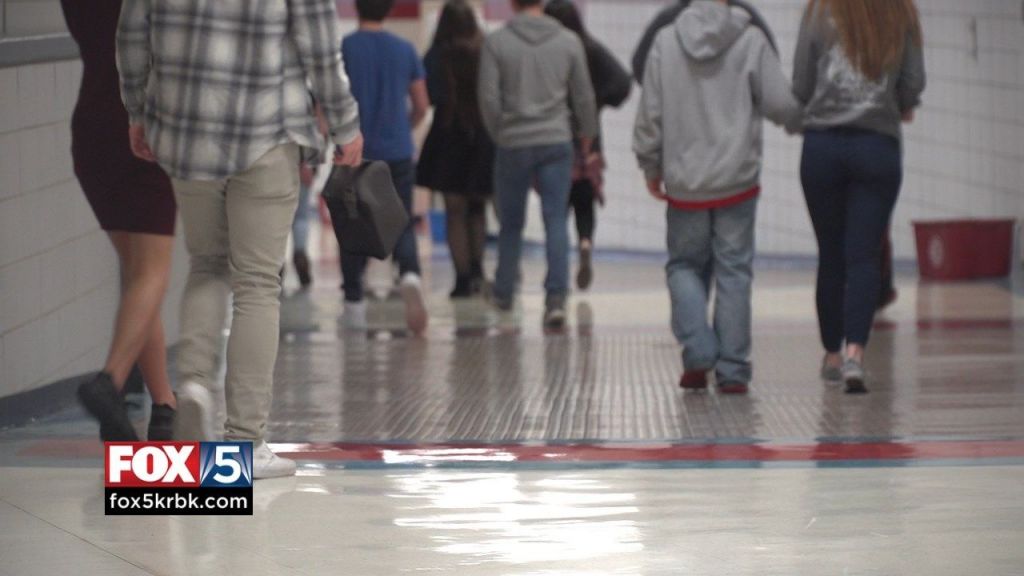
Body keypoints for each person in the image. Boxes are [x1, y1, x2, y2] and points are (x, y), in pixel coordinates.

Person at [117, 0, 364, 477]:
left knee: (206, 263)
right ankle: (246, 443)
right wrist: (346, 123)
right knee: (256, 283)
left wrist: (136, 110)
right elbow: (321, 50)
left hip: (188, 134)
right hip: (267, 134)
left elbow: (131, 35)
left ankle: (191, 385)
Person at [633, 0, 801, 395]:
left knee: (684, 267)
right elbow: (780, 104)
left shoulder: (665, 41)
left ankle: (699, 351)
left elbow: (650, 113)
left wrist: (650, 165)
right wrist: (807, 120)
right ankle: (733, 368)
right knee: (734, 271)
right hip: (737, 181)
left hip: (685, 183)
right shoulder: (752, 39)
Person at [793, 0, 925, 394]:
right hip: (877, 148)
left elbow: (801, 82)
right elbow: (913, 81)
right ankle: (855, 356)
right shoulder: (901, 11)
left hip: (823, 148)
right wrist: (900, 104)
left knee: (830, 255)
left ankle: (831, 355)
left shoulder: (818, 12)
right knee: (864, 256)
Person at [61, 0, 177, 442]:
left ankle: (164, 405)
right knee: (153, 274)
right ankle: (108, 383)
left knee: (138, 278)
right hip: (141, 128)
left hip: (91, 130)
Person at [479, 0, 598, 329]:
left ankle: (504, 291)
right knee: (556, 219)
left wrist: (500, 133)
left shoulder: (497, 42)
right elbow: (584, 96)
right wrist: (586, 136)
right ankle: (556, 298)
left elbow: (488, 98)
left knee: (511, 222)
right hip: (555, 141)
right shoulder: (568, 41)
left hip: (512, 142)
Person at [340, 0, 431, 334]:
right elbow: (422, 104)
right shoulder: (405, 49)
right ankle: (409, 274)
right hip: (398, 151)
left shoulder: (346, 48)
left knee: (354, 228)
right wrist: (405, 126)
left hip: (356, 153)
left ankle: (354, 305)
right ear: (390, 9)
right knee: (401, 222)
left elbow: (331, 101)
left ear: (356, 7)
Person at [544, 0, 631, 291]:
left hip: (553, 134)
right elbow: (622, 83)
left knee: (557, 208)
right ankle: (585, 241)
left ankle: (557, 274)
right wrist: (597, 103)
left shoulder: (549, 52)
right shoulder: (590, 49)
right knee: (584, 199)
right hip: (588, 139)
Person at [417, 0, 495, 299]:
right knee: (478, 209)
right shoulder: (486, 53)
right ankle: (478, 271)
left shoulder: (435, 56)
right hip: (482, 137)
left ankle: (461, 279)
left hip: (447, 136)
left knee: (454, 212)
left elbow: (430, 98)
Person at [631, 0, 775, 83]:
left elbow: (640, 67)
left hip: (678, 127)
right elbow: (771, 70)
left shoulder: (666, 20)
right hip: (738, 129)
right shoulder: (747, 19)